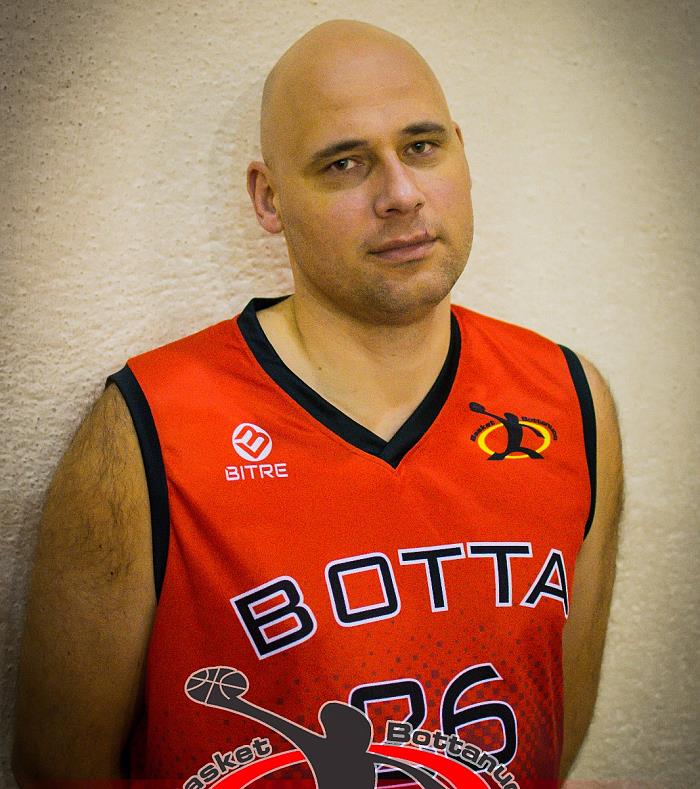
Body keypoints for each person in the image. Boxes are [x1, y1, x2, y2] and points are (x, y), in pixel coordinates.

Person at [12, 19, 622, 789]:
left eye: (422, 146)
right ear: (269, 199)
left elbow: (551, 730)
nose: (400, 194)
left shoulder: (570, 400)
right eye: (344, 163)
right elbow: (56, 766)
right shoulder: (149, 431)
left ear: (462, 154)